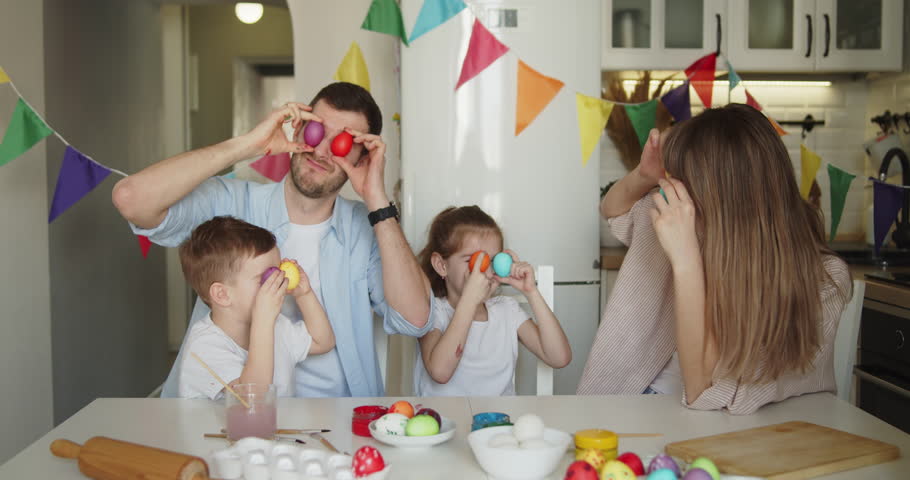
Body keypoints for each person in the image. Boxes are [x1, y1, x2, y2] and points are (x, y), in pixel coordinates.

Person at [112, 82, 433, 397]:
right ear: (297, 131)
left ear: (361, 159)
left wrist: (377, 202)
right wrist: (249, 145)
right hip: (231, 417)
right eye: (316, 131)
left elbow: (416, 320)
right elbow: (130, 198)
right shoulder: (233, 205)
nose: (321, 151)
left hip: (338, 420)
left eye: (343, 144)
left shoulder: (366, 227)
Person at [577, 104, 851, 414]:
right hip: (632, 400)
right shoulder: (685, 222)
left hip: (730, 428)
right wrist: (643, 175)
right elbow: (613, 208)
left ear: (723, 197)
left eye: (683, 181)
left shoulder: (824, 280)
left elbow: (702, 391)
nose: (672, 190)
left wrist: (686, 261)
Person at [413, 206, 571, 396]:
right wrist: (470, 301)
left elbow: (559, 357)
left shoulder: (507, 310)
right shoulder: (432, 311)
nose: (485, 272)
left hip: (498, 422)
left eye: (492, 261)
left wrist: (531, 292)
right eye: (473, 261)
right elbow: (440, 372)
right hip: (446, 422)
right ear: (441, 265)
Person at [175, 216, 334, 399]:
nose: (279, 281)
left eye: (277, 271)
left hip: (275, 427)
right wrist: (263, 320)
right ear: (222, 295)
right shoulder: (204, 346)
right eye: (264, 278)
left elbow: (323, 342)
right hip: (219, 428)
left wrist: (304, 295)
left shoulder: (277, 326)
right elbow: (253, 399)